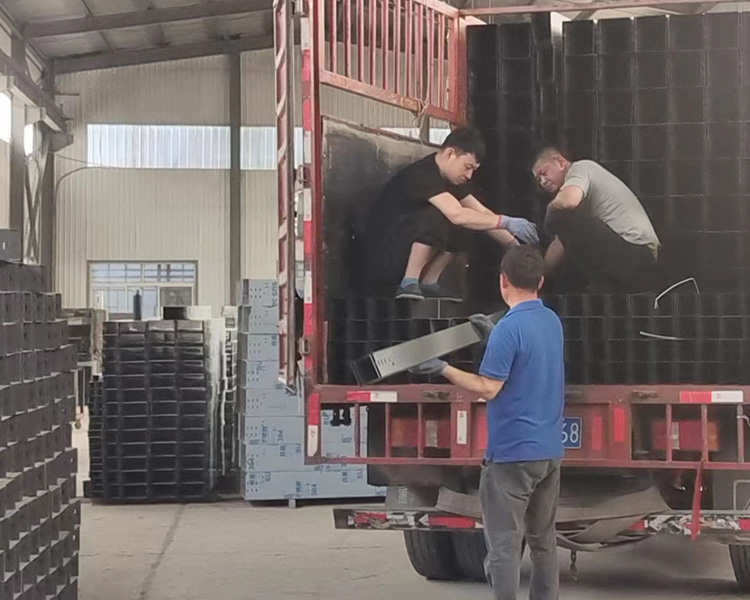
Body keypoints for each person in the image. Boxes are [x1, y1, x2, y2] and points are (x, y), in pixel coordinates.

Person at [413, 246, 564, 600]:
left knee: (503, 546)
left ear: (502, 281)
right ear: (540, 282)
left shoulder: (508, 331)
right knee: (543, 541)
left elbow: (488, 388)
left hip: (512, 454)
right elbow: (528, 358)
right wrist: (494, 334)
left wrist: (444, 368)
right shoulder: (551, 322)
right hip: (549, 452)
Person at [364, 127, 539, 301]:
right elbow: (456, 214)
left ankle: (429, 283)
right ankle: (409, 281)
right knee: (438, 215)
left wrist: (511, 243)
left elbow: (482, 212)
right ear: (450, 154)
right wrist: (505, 222)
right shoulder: (422, 174)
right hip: (384, 253)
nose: (469, 175)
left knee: (472, 221)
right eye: (467, 167)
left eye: (473, 170)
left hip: (404, 250)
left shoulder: (453, 180)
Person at [532, 147, 660, 292]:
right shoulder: (578, 198)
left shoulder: (580, 168)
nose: (543, 181)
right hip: (631, 257)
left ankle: (599, 285)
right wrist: (540, 278)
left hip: (637, 253)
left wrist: (550, 211)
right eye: (539, 180)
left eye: (544, 173)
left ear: (560, 162)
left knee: (558, 215)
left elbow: (567, 202)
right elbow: (560, 243)